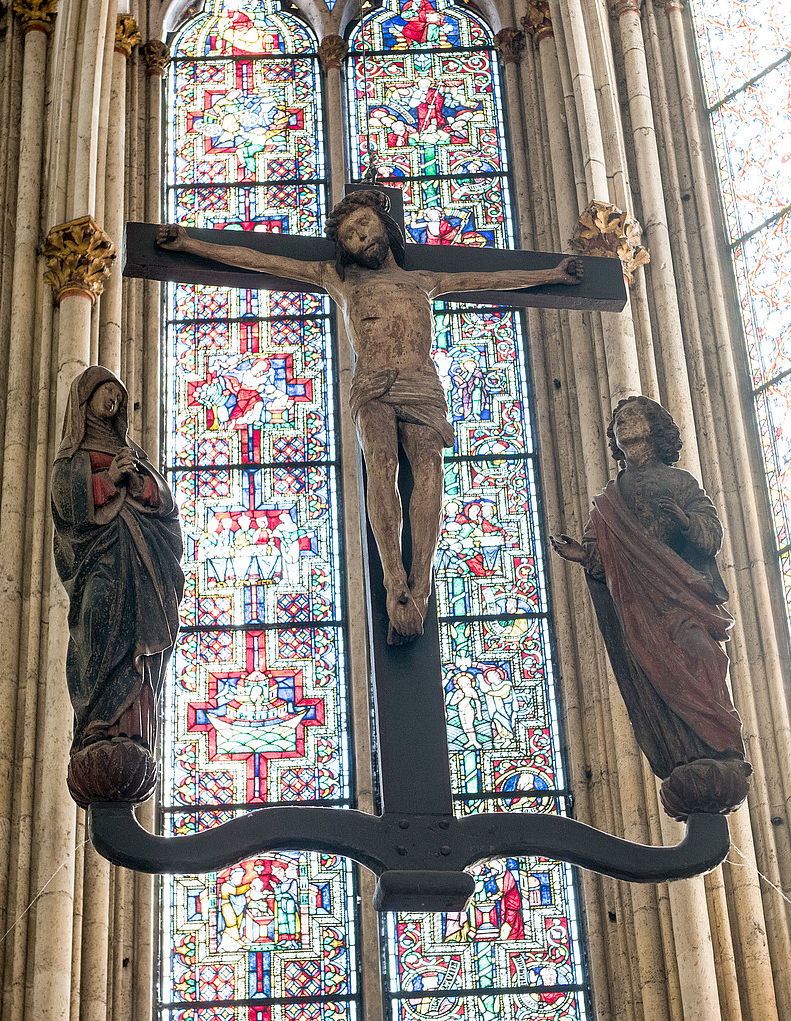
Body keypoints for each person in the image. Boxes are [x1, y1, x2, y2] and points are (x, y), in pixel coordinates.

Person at [158, 187, 581, 642]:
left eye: (365, 226)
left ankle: (423, 581)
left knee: (432, 471)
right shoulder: (340, 281)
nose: (362, 238)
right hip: (374, 385)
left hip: (422, 384)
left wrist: (554, 273)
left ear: (385, 224)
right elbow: (259, 259)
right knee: (381, 468)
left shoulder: (423, 280)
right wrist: (188, 244)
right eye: (352, 236)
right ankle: (392, 579)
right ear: (345, 250)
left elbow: (491, 278)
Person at [550, 395, 746, 785]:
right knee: (654, 681)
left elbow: (710, 535)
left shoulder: (679, 481)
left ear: (655, 429)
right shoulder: (608, 500)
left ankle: (720, 740)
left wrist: (687, 521)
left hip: (679, 595)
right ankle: (680, 749)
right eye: (618, 420)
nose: (623, 423)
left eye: (632, 416)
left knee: (701, 654)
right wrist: (581, 554)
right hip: (637, 608)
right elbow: (601, 557)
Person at [52, 366, 184, 763]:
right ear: (85, 399)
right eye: (106, 393)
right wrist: (108, 478)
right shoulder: (71, 458)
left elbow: (165, 504)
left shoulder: (133, 453)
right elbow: (68, 505)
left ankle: (134, 728)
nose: (112, 401)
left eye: (118, 397)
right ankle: (96, 723)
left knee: (138, 644)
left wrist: (141, 485)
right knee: (97, 616)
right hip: (100, 559)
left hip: (143, 560)